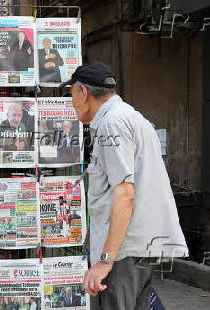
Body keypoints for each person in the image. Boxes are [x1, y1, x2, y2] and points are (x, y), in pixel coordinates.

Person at [61, 63, 188, 309]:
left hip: (123, 251)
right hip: (137, 247)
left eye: (71, 95)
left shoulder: (112, 124)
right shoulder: (130, 116)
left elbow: (125, 193)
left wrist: (106, 261)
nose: (71, 102)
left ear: (83, 92)